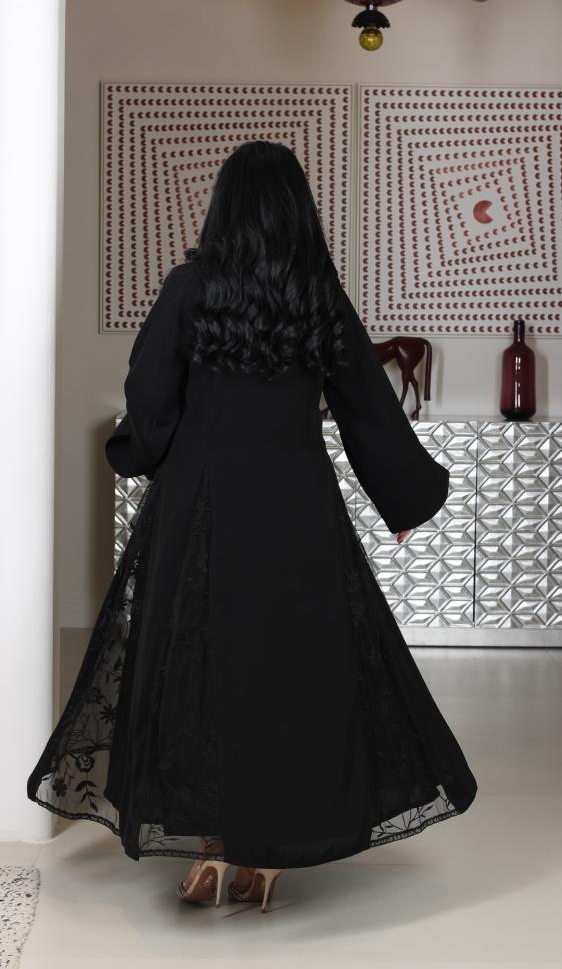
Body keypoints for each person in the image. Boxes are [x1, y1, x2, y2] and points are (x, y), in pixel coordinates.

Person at [27, 139, 477, 913]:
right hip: (296, 506)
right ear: (297, 211)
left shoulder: (190, 287)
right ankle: (266, 860)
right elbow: (367, 402)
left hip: (197, 507)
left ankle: (210, 850)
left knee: (198, 669)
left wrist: (138, 450)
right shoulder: (316, 292)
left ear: (224, 208)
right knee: (290, 671)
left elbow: (150, 394)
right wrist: (403, 498)